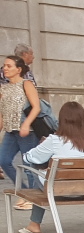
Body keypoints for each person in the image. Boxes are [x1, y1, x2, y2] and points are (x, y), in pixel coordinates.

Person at [15, 101, 84, 233]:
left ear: (62, 121)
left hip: (58, 189)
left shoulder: (54, 140)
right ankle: (33, 224)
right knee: (48, 171)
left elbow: (29, 158)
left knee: (37, 166)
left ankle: (34, 224)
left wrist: (42, 147)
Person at [1, 55, 42, 211]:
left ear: (18, 69)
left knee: (29, 165)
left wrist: (26, 124)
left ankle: (31, 198)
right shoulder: (3, 88)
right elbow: (2, 113)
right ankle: (25, 192)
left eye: (9, 66)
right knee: (3, 160)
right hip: (10, 131)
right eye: (4, 66)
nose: (5, 68)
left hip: (27, 132)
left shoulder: (27, 84)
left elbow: (36, 107)